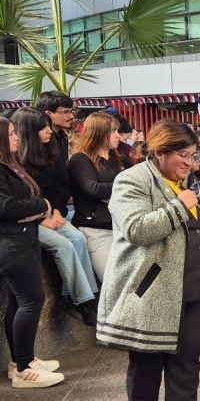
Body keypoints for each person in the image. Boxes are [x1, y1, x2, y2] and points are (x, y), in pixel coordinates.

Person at [98, 120, 200, 401]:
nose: (190, 163)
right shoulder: (131, 180)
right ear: (160, 151)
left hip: (192, 290)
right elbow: (136, 229)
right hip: (151, 292)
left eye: (193, 155)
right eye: (184, 155)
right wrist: (180, 206)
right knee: (146, 364)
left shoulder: (187, 181)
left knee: (186, 366)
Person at [15, 107, 98, 325]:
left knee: (78, 239)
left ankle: (90, 295)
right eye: (42, 128)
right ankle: (83, 302)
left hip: (50, 212)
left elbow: (55, 189)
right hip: (28, 221)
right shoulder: (15, 161)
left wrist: (57, 211)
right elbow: (18, 202)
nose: (49, 131)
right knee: (64, 246)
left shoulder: (48, 152)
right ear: (28, 131)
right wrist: (44, 218)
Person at [0, 117, 64, 388]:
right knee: (31, 300)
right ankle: (24, 369)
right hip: (11, 242)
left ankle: (20, 360)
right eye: (10, 134)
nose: (16, 137)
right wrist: (40, 206)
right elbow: (7, 208)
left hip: (25, 237)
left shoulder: (10, 165)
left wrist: (36, 207)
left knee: (19, 301)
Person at [67, 112, 124, 282]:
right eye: (113, 131)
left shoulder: (118, 160)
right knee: (112, 280)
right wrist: (121, 189)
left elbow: (135, 183)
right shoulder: (80, 159)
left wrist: (111, 192)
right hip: (95, 230)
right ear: (99, 133)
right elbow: (92, 188)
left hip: (122, 227)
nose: (118, 136)